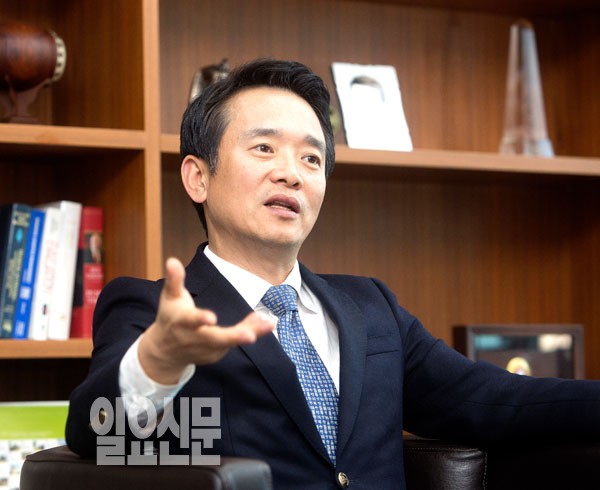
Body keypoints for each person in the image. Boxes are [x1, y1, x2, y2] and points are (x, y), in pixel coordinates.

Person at [66, 58, 600, 489]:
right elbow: (95, 432)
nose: (290, 173)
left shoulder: (371, 308)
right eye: (264, 148)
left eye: (311, 159)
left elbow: (490, 400)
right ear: (197, 177)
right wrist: (158, 362)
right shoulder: (148, 310)